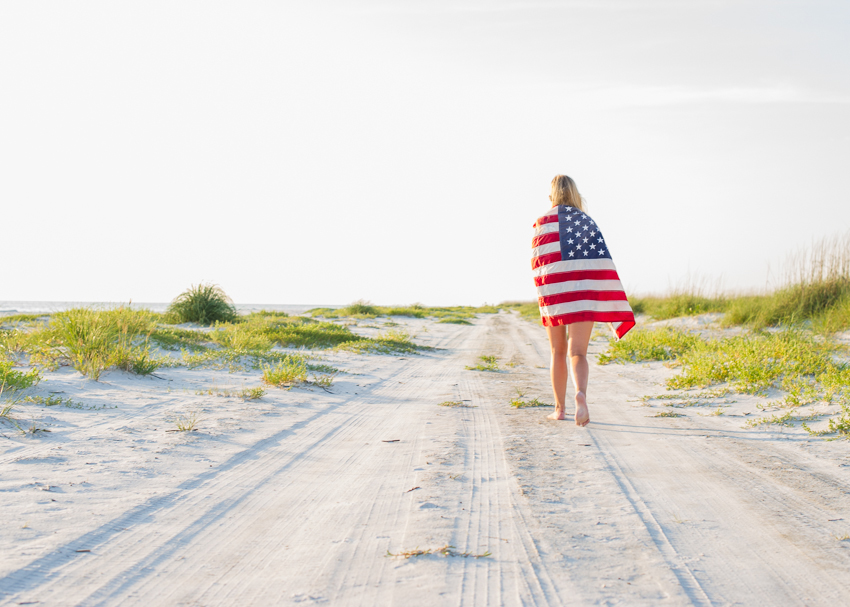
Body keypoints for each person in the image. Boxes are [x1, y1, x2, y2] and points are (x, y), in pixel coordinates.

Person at [531, 175, 635, 426]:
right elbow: (600, 262)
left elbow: (538, 264)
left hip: (557, 294)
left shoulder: (541, 223)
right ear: (575, 193)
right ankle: (581, 395)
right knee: (577, 352)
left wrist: (546, 294)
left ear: (551, 196)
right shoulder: (587, 222)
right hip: (584, 294)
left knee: (557, 351)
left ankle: (559, 409)